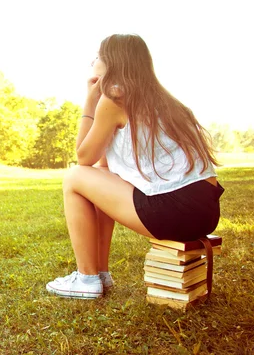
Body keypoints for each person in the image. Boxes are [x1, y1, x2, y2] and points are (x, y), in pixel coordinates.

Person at [46, 34, 224, 299]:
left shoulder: (116, 99)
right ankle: (100, 274)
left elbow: (83, 158)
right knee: (98, 177)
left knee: (74, 177)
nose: (93, 61)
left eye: (98, 56)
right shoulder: (165, 101)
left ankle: (86, 279)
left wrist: (90, 101)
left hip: (175, 210)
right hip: (206, 212)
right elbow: (102, 167)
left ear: (112, 62)